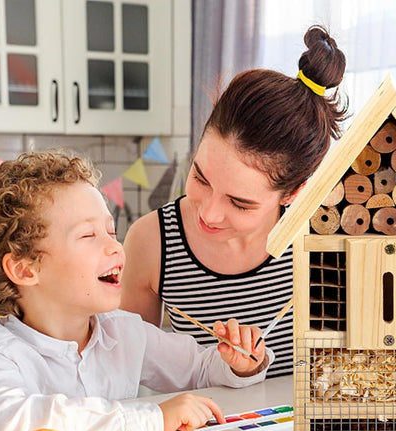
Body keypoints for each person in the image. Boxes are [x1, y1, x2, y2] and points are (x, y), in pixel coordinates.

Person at [0, 151, 272, 431]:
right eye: (88, 235)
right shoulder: (3, 352)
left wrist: (240, 363)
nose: (115, 246)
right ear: (25, 269)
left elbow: (199, 369)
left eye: (111, 231)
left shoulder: (124, 332)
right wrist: (154, 419)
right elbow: (13, 421)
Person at [120, 25, 347, 378]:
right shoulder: (151, 242)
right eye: (200, 177)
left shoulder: (321, 238)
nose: (209, 213)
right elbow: (128, 369)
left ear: (293, 193)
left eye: (240, 203)